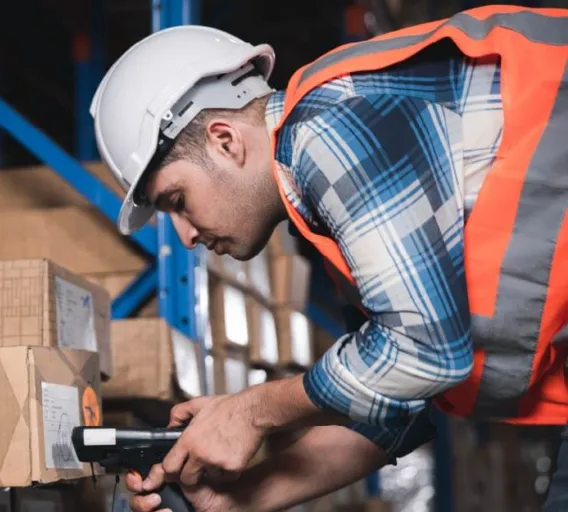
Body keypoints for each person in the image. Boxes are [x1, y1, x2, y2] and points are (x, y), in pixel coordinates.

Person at [88, 4, 568, 511]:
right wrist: (241, 499)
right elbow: (393, 410)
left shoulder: (326, 128)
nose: (183, 236)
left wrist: (251, 412)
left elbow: (425, 352)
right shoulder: (331, 212)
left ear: (225, 141)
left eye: (177, 201)